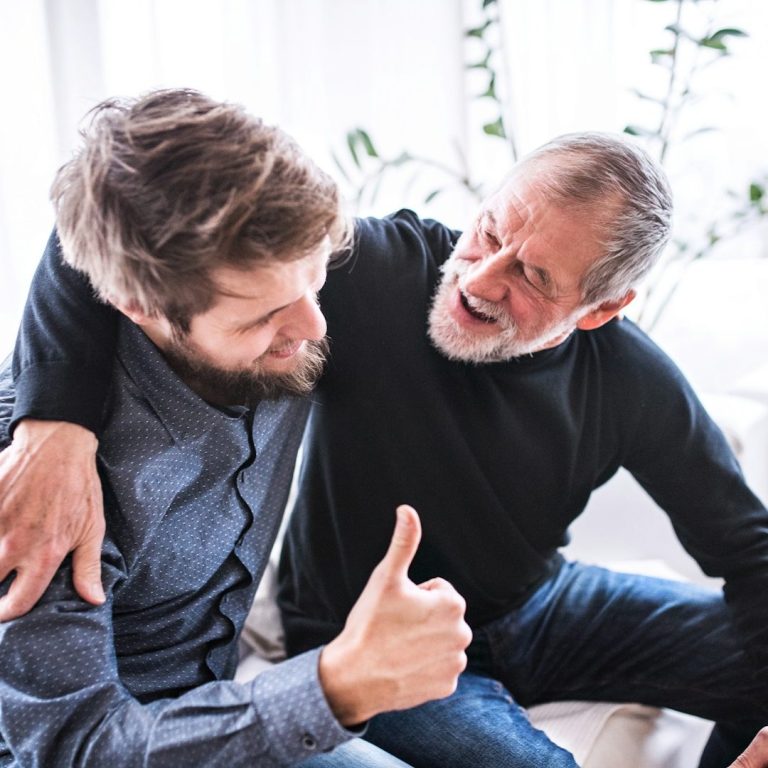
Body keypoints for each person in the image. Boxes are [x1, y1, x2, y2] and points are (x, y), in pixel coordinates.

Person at [2, 128, 768, 767]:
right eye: (493, 229)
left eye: (534, 276)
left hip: (540, 607)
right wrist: (52, 424)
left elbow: (747, 547)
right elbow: (113, 222)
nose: (483, 277)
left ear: (603, 309)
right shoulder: (369, 272)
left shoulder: (631, 380)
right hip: (365, 632)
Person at [0, 89, 472, 767]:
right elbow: (76, 749)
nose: (315, 326)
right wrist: (337, 683)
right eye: (266, 316)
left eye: (316, 280)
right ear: (137, 305)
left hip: (227, 713)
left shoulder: (272, 282)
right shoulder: (40, 490)